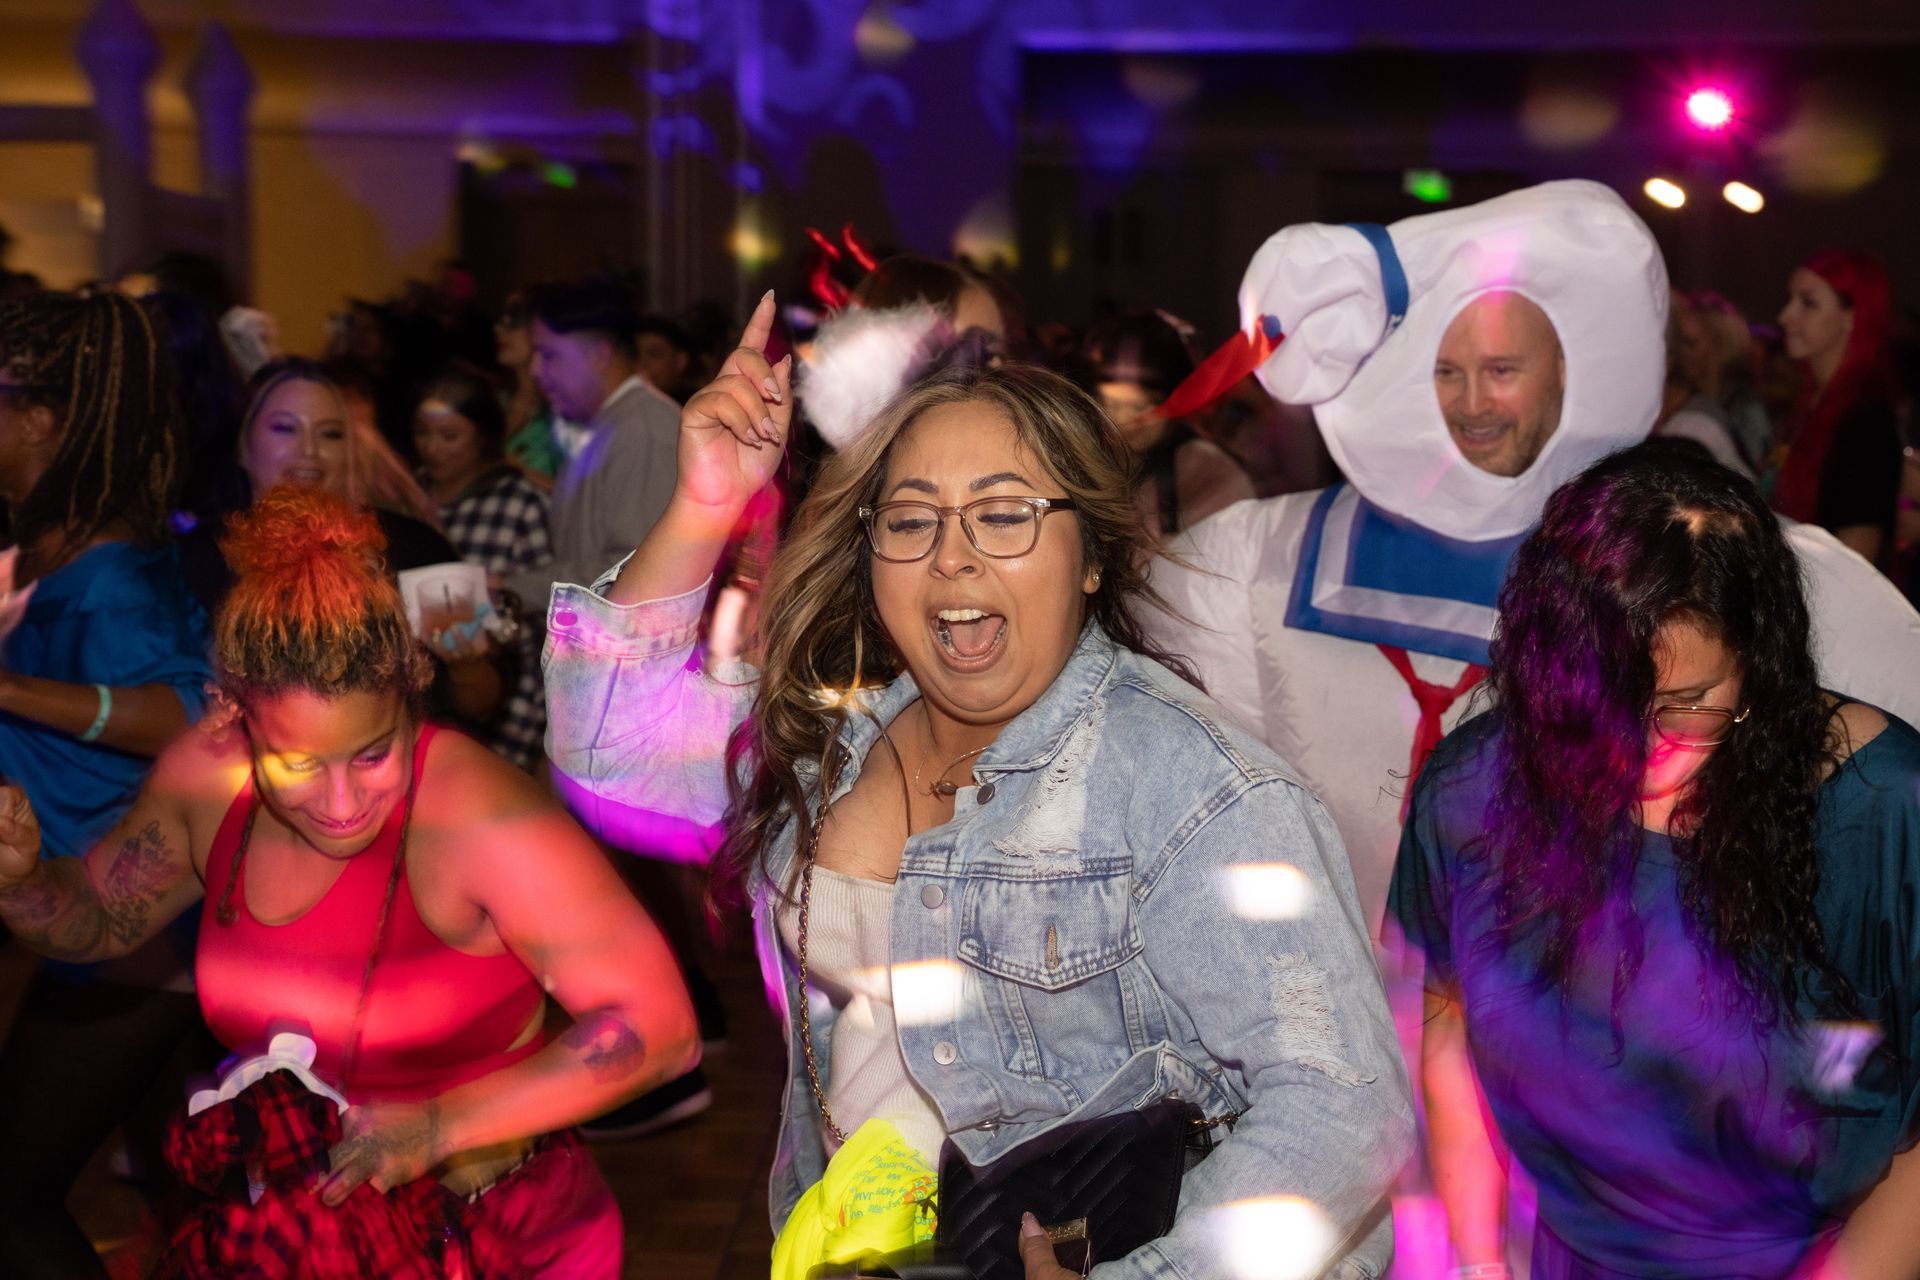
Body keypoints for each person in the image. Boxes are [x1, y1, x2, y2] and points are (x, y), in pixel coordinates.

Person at [544, 294, 1414, 1277]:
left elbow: (1343, 1106)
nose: (952, 555)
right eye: (911, 520)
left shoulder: (1198, 790)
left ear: (1091, 558)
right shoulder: (832, 736)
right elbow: (606, 746)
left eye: (1004, 515)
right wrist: (704, 506)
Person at [1147, 181, 1920, 946]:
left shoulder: (1717, 555)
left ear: (1566, 368)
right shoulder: (1256, 558)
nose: (1472, 405)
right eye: (1447, 372)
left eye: (1502, 370)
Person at [0, 486, 698, 1275]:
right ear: (234, 714)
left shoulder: (482, 817)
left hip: (504, 1244)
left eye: (371, 754)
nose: (341, 804)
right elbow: (99, 919)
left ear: (410, 692)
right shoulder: (205, 783)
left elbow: (659, 1028)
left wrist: (438, 1125)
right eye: (296, 763)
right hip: (308, 1246)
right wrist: (21, 882)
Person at [1391, 439, 1920, 1277]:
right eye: (1602, 705)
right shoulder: (1478, 784)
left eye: (1688, 702)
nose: (1640, 749)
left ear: (1758, 659)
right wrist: (1480, 1258)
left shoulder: (1888, 810)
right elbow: (1448, 1018)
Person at [0, 290, 215, 1276]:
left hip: (141, 931)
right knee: (191, 1209)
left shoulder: (109, 576)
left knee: (11, 1203)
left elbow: (193, 711)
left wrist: (11, 686)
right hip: (102, 914)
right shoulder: (56, 538)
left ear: (43, 417)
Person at [178, 359, 509, 739]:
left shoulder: (412, 546)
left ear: (350, 449)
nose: (310, 450)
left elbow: (482, 703)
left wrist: (467, 664)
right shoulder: (198, 558)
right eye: (285, 428)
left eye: (331, 434)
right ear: (243, 445)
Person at [503, 277, 682, 617]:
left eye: (548, 354)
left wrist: (511, 590)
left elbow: (633, 572)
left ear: (599, 353)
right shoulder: (608, 423)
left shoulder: (643, 429)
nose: (536, 370)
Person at [413, 362, 554, 769]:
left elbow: (543, 626)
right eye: (422, 433)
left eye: (449, 436)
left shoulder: (518, 504)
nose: (432, 448)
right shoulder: (406, 492)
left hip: (501, 711)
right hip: (420, 705)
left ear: (482, 437)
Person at [1773, 250, 1902, 565]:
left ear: (1851, 317)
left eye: (1808, 303)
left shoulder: (1865, 420)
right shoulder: (1812, 403)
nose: (1785, 316)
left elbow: (1856, 559)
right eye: (1790, 300)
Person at [1078, 311, 1255, 538]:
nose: (1123, 420)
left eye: (1141, 407)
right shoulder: (1088, 461)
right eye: (1111, 404)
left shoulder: (1207, 473)